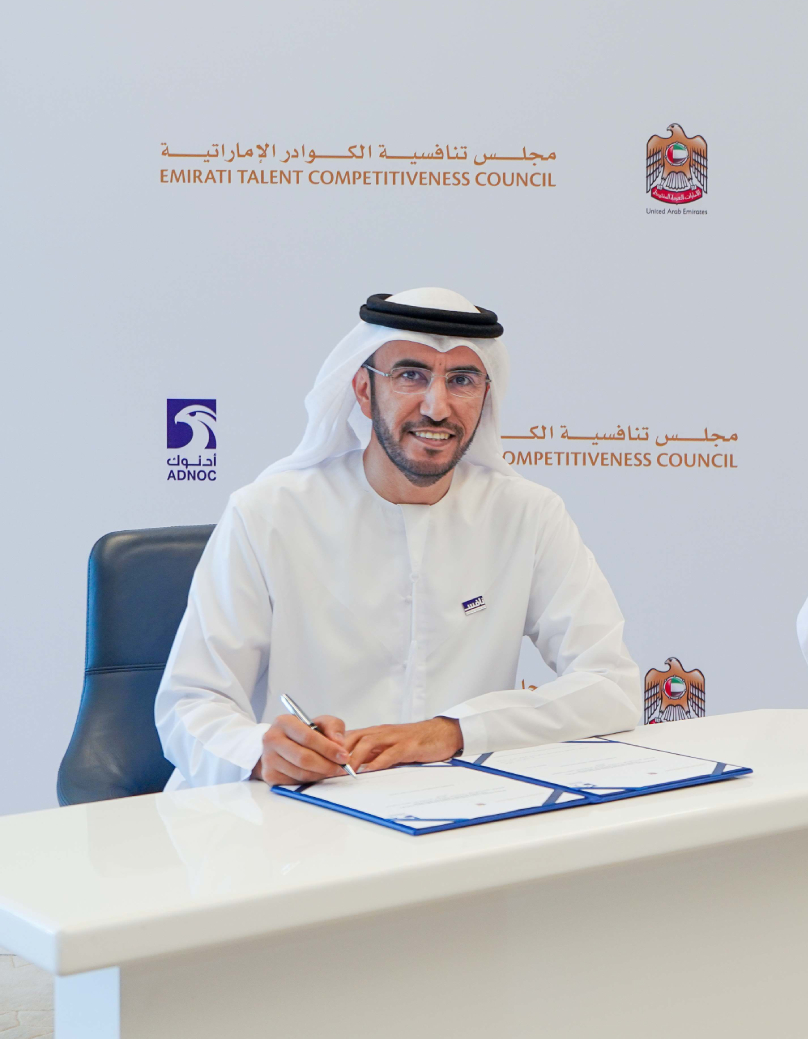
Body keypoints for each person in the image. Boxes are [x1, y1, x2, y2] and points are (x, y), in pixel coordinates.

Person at [157, 288, 642, 788]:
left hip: (460, 809)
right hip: (300, 810)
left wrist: (452, 731)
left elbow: (612, 686)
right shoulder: (269, 513)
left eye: (462, 380)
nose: (437, 407)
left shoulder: (528, 515)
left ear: (485, 396)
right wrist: (259, 754)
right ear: (364, 391)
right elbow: (190, 704)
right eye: (411, 375)